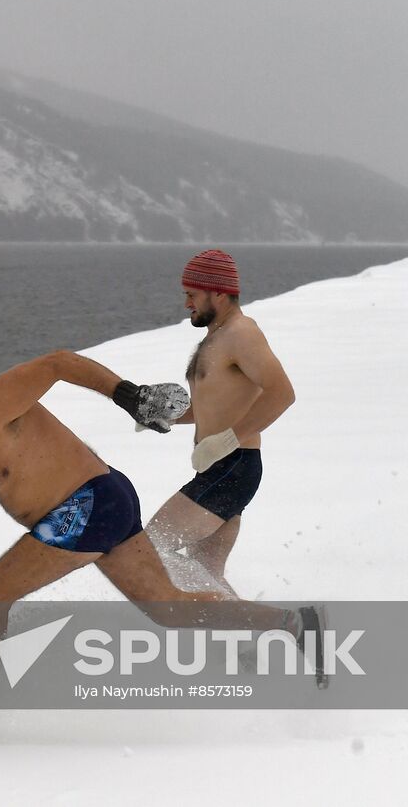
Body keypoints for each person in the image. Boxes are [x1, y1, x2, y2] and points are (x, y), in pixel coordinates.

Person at [0, 350, 316, 743]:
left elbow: (57, 364)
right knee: (170, 608)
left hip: (86, 504)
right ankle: (293, 624)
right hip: (103, 501)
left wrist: (128, 395)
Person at [143, 249, 296, 601]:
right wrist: (165, 416)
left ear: (219, 293)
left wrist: (226, 441)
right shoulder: (217, 337)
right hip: (222, 467)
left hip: (234, 466)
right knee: (206, 572)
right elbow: (211, 408)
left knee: (149, 551)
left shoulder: (242, 333)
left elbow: (282, 393)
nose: (186, 304)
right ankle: (263, 641)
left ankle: (271, 629)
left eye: (192, 295)